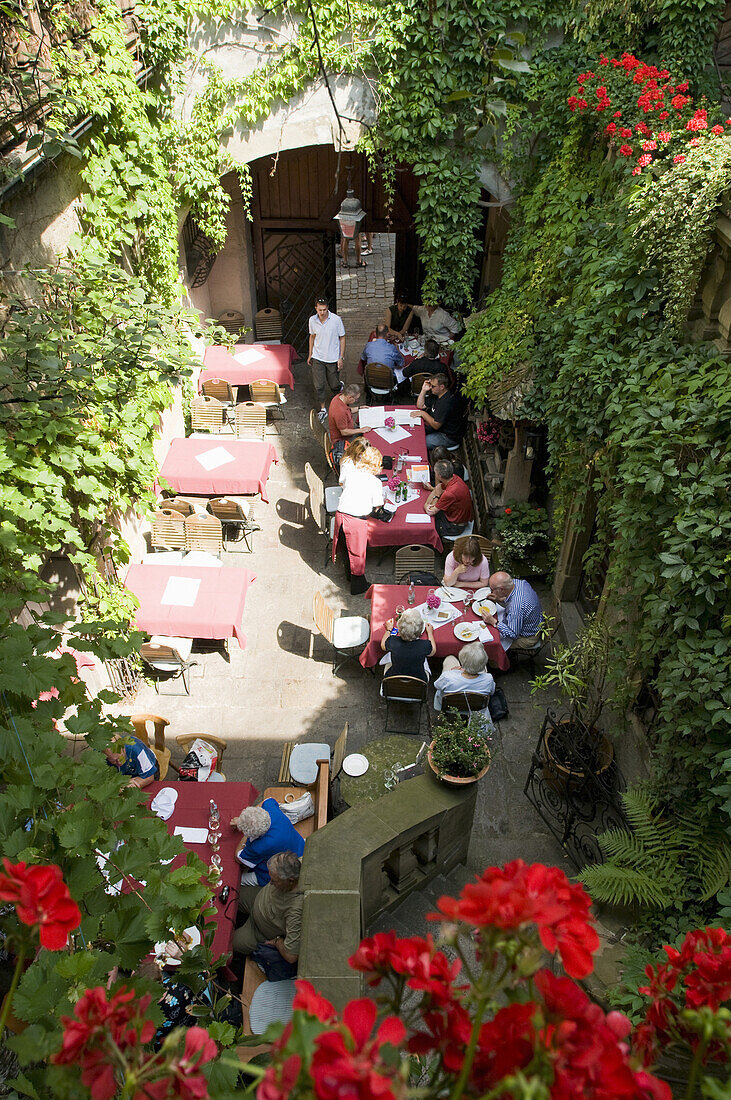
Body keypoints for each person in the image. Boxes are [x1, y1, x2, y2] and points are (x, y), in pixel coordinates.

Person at [232, 851, 303, 966]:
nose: (270, 883)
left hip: (258, 930)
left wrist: (277, 942)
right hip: (257, 899)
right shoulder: (298, 864)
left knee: (229, 943)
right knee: (231, 893)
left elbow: (291, 956)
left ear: (290, 881)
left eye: (274, 881)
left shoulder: (295, 910)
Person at [334, 442, 384, 595]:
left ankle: (349, 576)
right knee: (357, 554)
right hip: (355, 521)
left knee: (345, 549)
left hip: (340, 516)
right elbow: (377, 504)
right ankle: (358, 585)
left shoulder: (351, 474)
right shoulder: (375, 482)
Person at [232, 801, 305, 887]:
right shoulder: (270, 808)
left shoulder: (259, 847)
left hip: (278, 872)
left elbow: (238, 857)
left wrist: (245, 834)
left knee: (238, 879)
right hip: (300, 847)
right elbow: (265, 801)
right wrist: (248, 818)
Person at [433, 642, 496, 733]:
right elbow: (492, 692)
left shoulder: (448, 677)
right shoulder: (488, 679)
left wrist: (454, 672)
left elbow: (437, 685)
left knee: (450, 658)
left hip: (449, 705)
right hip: (475, 706)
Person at [478, 571, 544, 651]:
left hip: (528, 637)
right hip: (534, 622)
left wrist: (493, 622)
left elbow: (513, 634)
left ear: (501, 590)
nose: (491, 592)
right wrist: (498, 599)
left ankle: (497, 660)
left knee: (492, 643)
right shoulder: (518, 582)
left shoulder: (516, 607)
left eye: (492, 590)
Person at [308, 297, 346, 422]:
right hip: (317, 356)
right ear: (316, 309)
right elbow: (312, 337)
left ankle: (339, 387)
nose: (322, 312)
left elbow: (342, 338)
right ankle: (323, 409)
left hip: (332, 358)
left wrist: (341, 357)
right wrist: (310, 354)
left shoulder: (336, 320)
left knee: (333, 384)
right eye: (320, 310)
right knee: (319, 385)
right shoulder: (312, 320)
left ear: (327, 308)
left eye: (324, 310)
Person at [380, 608, 436, 682]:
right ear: (420, 631)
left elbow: (383, 645)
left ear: (399, 628)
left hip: (394, 678)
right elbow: (433, 651)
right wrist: (430, 633)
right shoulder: (424, 645)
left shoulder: (393, 641)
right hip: (419, 680)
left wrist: (388, 630)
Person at [411, 373, 463, 449]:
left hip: (448, 436)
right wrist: (423, 390)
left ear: (442, 387)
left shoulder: (446, 402)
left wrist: (423, 414)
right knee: (415, 433)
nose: (430, 388)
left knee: (420, 441)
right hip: (438, 430)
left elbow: (436, 425)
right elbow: (420, 405)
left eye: (433, 386)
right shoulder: (437, 395)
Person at [424, 459, 472, 539]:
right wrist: (429, 502)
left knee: (426, 527)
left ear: (439, 476)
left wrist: (427, 504)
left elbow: (430, 511)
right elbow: (437, 489)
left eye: (435, 473)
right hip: (453, 515)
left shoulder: (449, 493)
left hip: (454, 526)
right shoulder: (454, 478)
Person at [328, 384, 369, 467]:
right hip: (343, 439)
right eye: (356, 399)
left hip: (347, 432)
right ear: (350, 397)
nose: (356, 401)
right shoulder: (340, 411)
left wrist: (360, 408)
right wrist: (361, 430)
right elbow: (344, 432)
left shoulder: (339, 398)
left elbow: (348, 411)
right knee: (366, 442)